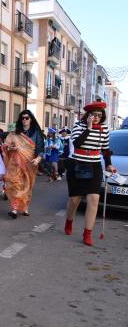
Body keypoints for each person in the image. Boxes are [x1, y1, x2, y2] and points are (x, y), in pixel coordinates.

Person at [64, 101, 116, 246]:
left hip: (94, 166)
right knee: (75, 200)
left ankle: (87, 233)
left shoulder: (104, 129)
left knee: (93, 199)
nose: (97, 117)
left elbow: (105, 149)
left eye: (99, 115)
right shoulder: (78, 126)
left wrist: (109, 164)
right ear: (88, 115)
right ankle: (69, 221)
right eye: (94, 115)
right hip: (77, 165)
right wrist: (88, 128)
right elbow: (77, 143)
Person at [3, 110, 44, 219]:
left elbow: (41, 148)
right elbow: (6, 146)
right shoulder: (15, 132)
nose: (24, 120)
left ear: (31, 119)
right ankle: (14, 209)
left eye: (27, 118)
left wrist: (38, 159)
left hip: (30, 163)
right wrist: (11, 148)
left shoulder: (36, 133)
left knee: (27, 185)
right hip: (15, 163)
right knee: (16, 184)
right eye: (23, 118)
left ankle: (25, 207)